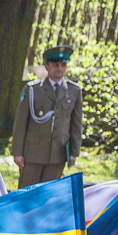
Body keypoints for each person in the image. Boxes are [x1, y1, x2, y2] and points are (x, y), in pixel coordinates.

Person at [13, 46, 82, 187]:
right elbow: (20, 123)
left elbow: (76, 124)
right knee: (27, 194)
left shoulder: (74, 91)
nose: (59, 68)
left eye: (63, 65)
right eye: (55, 65)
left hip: (58, 153)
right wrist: (17, 152)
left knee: (49, 196)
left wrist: (74, 152)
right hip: (33, 154)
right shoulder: (33, 90)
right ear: (46, 66)